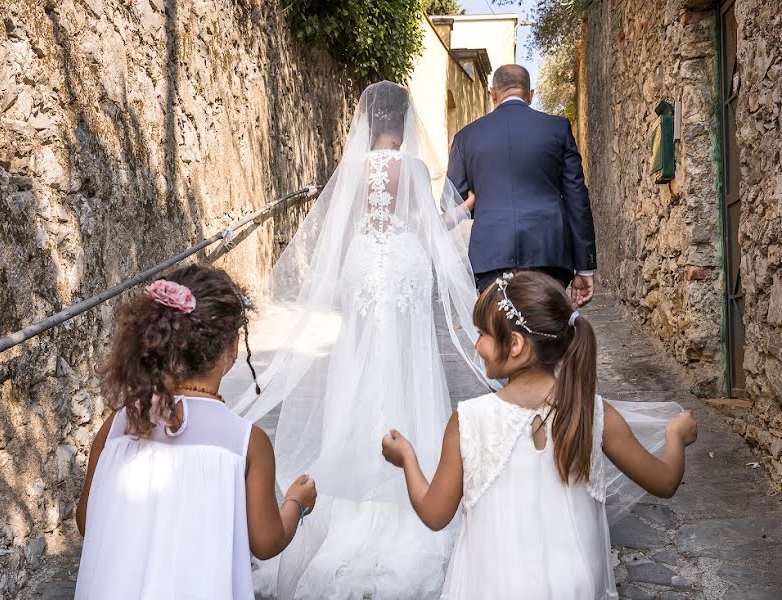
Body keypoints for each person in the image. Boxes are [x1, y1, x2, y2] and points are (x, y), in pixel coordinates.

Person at [223, 81, 498, 598]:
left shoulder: (349, 172)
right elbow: (429, 232)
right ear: (402, 123)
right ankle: (413, 478)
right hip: (405, 270)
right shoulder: (414, 170)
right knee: (410, 363)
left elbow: (341, 237)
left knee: (359, 362)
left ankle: (349, 496)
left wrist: (359, 266)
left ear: (368, 122)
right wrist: (461, 212)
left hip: (362, 270)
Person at [381, 270, 698, 599]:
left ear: (515, 344)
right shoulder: (592, 413)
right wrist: (675, 436)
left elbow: (434, 514)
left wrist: (407, 458)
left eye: (483, 334)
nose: (477, 345)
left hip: (495, 587)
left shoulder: (469, 421)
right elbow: (665, 482)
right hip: (575, 585)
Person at [74, 265, 317, 599]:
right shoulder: (247, 443)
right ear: (232, 348)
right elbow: (266, 541)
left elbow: (88, 522)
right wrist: (296, 502)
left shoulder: (116, 426)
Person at [447, 64, 597, 308]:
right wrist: (585, 265)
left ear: (493, 93)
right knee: (544, 336)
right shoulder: (557, 129)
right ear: (531, 94)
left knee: (501, 336)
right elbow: (577, 199)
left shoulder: (466, 137)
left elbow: (451, 199)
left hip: (491, 252)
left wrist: (480, 200)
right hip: (548, 251)